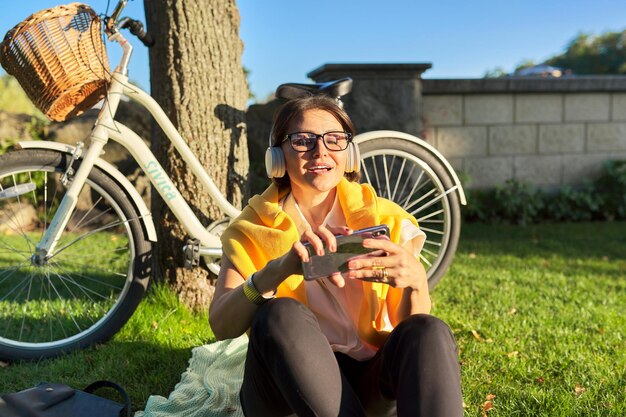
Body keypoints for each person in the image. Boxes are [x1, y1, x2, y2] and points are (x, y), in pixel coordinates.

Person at [209, 95, 463, 417]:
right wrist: (276, 272)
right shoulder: (251, 229)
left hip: (368, 382)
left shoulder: (386, 219)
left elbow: (407, 332)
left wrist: (415, 283)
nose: (320, 151)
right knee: (280, 313)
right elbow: (221, 326)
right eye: (302, 141)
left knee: (428, 330)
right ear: (277, 157)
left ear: (350, 152)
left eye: (335, 139)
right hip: (284, 391)